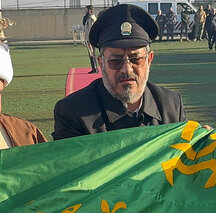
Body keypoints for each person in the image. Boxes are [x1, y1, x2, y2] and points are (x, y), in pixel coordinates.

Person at [52, 3, 186, 140]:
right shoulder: (73, 112)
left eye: (135, 59)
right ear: (101, 63)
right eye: (115, 61)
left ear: (149, 60)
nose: (126, 70)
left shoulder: (171, 105)